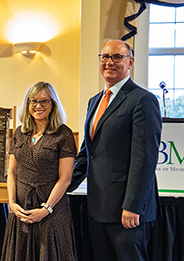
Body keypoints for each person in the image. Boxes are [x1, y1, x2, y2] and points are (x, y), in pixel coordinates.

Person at [67, 40, 162, 261]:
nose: (109, 62)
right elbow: (87, 154)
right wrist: (61, 187)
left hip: (126, 212)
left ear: (130, 62)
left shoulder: (143, 100)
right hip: (98, 207)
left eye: (117, 57)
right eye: (105, 57)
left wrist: (132, 206)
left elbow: (144, 159)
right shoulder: (94, 101)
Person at [1, 81, 78, 261]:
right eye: (33, 101)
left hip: (51, 212)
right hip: (21, 211)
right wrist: (11, 203)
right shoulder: (19, 133)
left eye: (44, 101)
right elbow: (12, 172)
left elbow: (65, 179)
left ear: (53, 104)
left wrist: (46, 209)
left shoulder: (63, 134)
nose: (38, 106)